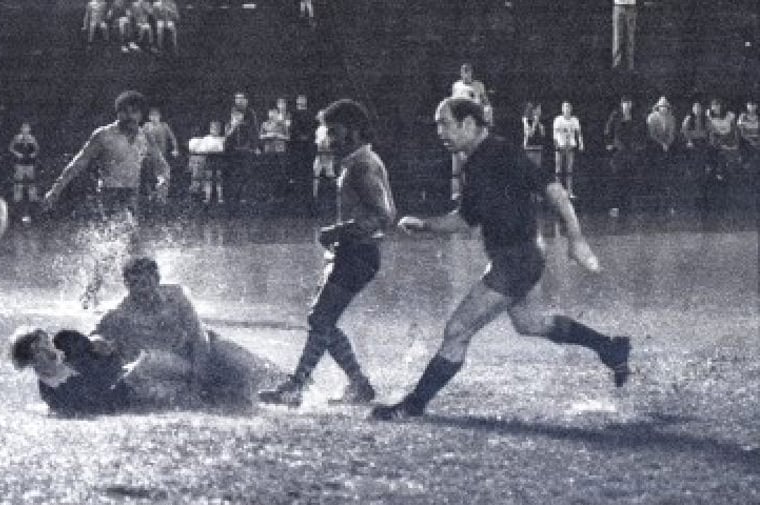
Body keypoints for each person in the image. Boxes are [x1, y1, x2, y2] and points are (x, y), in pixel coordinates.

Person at [370, 98, 630, 421]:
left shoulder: (500, 153)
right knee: (531, 323)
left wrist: (576, 240)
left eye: (444, 123)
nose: (440, 132)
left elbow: (555, 190)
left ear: (468, 124)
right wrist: (426, 226)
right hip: (520, 257)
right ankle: (610, 348)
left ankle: (413, 406)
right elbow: (466, 219)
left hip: (516, 260)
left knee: (457, 330)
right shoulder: (476, 162)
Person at [259, 99, 397, 407]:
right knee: (323, 319)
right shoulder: (357, 161)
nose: (330, 141)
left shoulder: (363, 165)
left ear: (355, 131)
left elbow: (385, 216)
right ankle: (358, 384)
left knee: (320, 317)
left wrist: (339, 231)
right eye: (328, 133)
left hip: (358, 254)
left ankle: (297, 387)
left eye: (335, 132)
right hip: (352, 252)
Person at [92, 257, 282, 408]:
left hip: (207, 346)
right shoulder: (120, 314)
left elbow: (201, 340)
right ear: (127, 285)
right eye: (136, 284)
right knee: (148, 364)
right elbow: (94, 337)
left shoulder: (177, 296)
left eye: (147, 282)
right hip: (178, 360)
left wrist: (197, 385)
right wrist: (98, 342)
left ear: (157, 280)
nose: (143, 290)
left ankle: (288, 383)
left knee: (248, 366)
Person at [44, 90, 169, 218]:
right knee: (117, 231)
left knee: (131, 233)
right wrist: (55, 190)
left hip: (133, 192)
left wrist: (163, 182)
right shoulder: (104, 135)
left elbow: (161, 164)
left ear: (141, 115)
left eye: (134, 112)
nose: (130, 116)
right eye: (125, 111)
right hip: (109, 192)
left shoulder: (146, 136)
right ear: (118, 113)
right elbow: (78, 163)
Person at [10, 327, 133, 417]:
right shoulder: (50, 393)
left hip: (119, 367)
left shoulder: (66, 340)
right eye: (41, 350)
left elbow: (98, 347)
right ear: (32, 362)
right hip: (123, 392)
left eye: (48, 342)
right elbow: (98, 407)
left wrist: (99, 344)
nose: (50, 349)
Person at [450, 63, 491, 199]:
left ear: (472, 73)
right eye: (464, 72)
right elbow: (452, 104)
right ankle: (458, 193)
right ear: (461, 73)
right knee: (458, 159)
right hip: (459, 124)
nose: (466, 74)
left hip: (474, 124)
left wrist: (488, 113)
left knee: (476, 156)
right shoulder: (456, 86)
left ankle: (478, 192)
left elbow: (486, 103)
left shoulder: (478, 85)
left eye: (468, 72)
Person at [604, 95, 645, 214]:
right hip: (619, 151)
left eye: (628, 103)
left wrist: (639, 146)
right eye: (624, 103)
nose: (627, 106)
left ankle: (628, 206)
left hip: (632, 152)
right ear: (621, 105)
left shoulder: (637, 117)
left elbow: (642, 132)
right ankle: (615, 206)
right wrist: (609, 143)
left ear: (631, 105)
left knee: (631, 179)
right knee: (617, 178)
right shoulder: (615, 115)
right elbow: (608, 130)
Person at [8, 122, 40, 219]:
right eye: (23, 128)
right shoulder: (17, 138)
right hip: (19, 162)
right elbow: (10, 148)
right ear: (21, 129)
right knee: (18, 182)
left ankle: (33, 199)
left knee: (31, 181)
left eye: (27, 128)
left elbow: (37, 149)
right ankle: (17, 200)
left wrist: (33, 154)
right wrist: (17, 153)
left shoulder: (32, 138)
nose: (25, 130)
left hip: (29, 162)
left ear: (29, 129)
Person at [552, 100, 584, 194]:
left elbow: (578, 133)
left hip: (570, 147)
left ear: (571, 109)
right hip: (560, 146)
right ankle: (558, 192)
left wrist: (581, 143)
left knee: (569, 170)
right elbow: (554, 133)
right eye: (565, 107)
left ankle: (569, 191)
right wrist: (556, 145)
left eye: (568, 107)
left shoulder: (574, 120)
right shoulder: (558, 119)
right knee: (558, 170)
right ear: (562, 109)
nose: (566, 109)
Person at [521, 102, 546, 167]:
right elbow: (530, 134)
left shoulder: (539, 122)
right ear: (533, 110)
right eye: (539, 109)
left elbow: (543, 135)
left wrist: (541, 129)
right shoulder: (526, 121)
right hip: (529, 148)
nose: (540, 111)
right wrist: (535, 124)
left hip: (537, 148)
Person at [737, 99, 759, 170]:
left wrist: (757, 141)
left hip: (757, 140)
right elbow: (742, 132)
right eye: (750, 105)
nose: (752, 107)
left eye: (753, 105)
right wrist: (751, 141)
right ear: (747, 106)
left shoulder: (758, 117)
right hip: (746, 140)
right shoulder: (742, 117)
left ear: (757, 106)